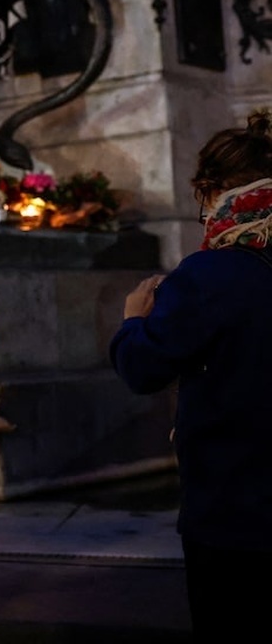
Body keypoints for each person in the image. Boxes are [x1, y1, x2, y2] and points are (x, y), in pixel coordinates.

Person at [110, 108, 272, 639]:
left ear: (215, 191)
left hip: (237, 515)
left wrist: (134, 320)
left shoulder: (212, 275)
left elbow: (143, 367)